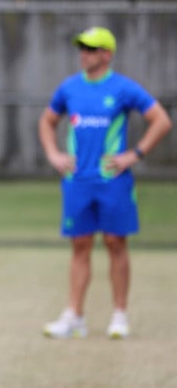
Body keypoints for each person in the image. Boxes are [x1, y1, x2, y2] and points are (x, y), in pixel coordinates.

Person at [38, 26, 172, 339]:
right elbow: (47, 120)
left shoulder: (124, 88)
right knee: (80, 246)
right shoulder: (69, 88)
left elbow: (161, 120)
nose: (84, 53)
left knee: (115, 244)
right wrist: (53, 154)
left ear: (107, 54)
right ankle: (74, 316)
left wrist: (134, 154)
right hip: (77, 182)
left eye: (91, 48)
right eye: (82, 48)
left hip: (113, 181)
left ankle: (120, 316)